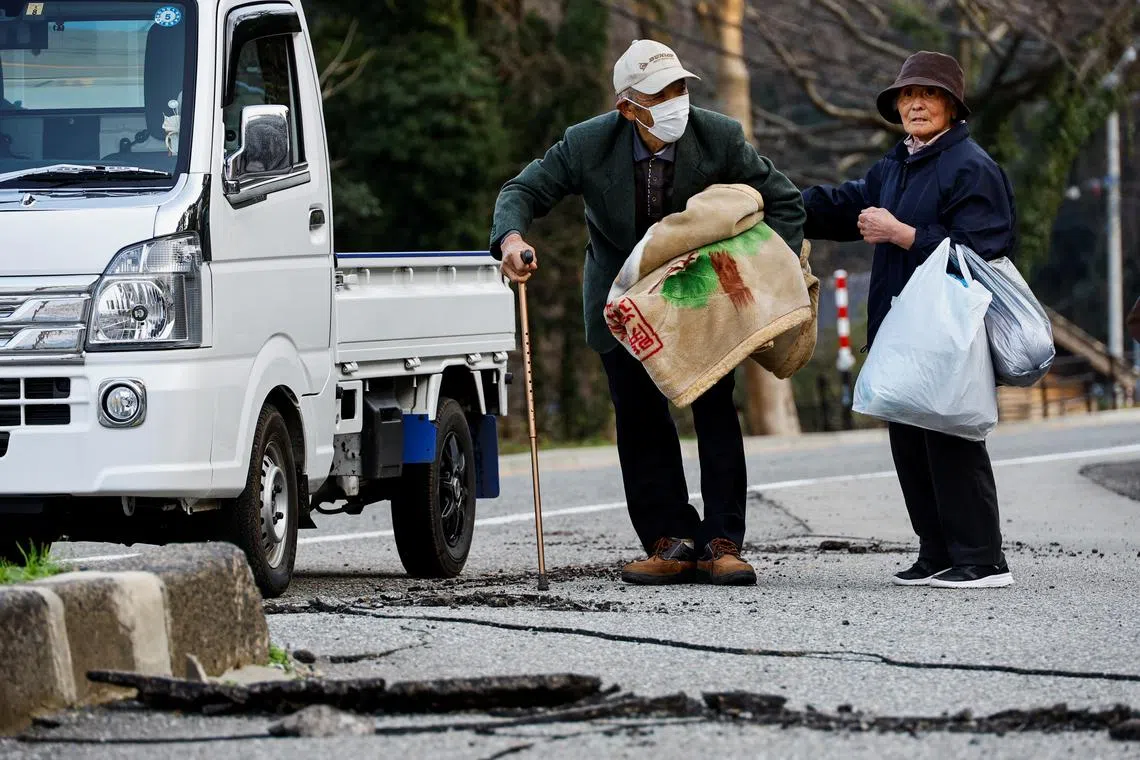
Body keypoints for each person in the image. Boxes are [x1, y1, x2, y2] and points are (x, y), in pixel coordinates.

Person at [489, 39, 805, 586]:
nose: (676, 100)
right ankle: (669, 539)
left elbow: (785, 201)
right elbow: (523, 189)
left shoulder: (719, 136)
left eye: (681, 87)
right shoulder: (586, 144)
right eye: (662, 92)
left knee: (715, 413)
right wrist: (512, 239)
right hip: (624, 301)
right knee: (639, 418)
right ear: (629, 107)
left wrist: (760, 273)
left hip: (701, 297)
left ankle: (723, 540)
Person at [802, 51, 1017, 589]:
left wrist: (904, 235)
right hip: (900, 326)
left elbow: (986, 250)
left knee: (951, 437)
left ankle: (982, 559)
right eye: (906, 95)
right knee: (909, 439)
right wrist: (772, 200)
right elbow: (844, 204)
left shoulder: (971, 166)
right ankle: (937, 552)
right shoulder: (897, 162)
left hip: (951, 329)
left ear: (952, 106)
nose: (915, 103)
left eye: (929, 94)